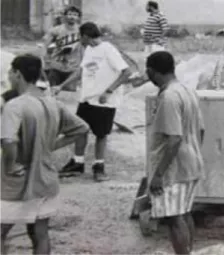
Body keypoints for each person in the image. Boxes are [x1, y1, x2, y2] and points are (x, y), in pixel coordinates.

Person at [0, 54, 89, 254]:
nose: (9, 78)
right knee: (40, 233)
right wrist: (49, 146)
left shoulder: (15, 105)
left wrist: (10, 165)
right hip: (46, 178)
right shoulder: (53, 103)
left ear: (17, 74)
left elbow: (8, 140)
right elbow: (82, 128)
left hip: (18, 182)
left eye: (10, 73)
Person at [56, 22, 132, 182]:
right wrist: (61, 86)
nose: (79, 39)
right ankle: (78, 163)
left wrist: (109, 91)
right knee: (79, 130)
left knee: (101, 134)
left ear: (85, 36)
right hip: (87, 99)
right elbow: (81, 70)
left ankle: (99, 166)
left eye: (80, 36)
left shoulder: (109, 49)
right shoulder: (89, 49)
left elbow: (126, 72)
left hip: (104, 101)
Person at [146, 51, 204, 254]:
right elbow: (201, 130)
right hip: (191, 161)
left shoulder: (170, 97)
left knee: (173, 218)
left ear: (151, 71)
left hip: (174, 169)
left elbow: (174, 138)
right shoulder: (187, 91)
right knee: (185, 213)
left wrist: (159, 174)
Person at [42, 5, 83, 89]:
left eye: (75, 15)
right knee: (52, 91)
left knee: (69, 94)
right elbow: (45, 46)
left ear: (78, 17)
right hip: (56, 66)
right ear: (65, 16)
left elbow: (85, 48)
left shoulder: (81, 31)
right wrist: (45, 61)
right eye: (70, 14)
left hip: (73, 67)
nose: (72, 17)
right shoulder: (56, 30)